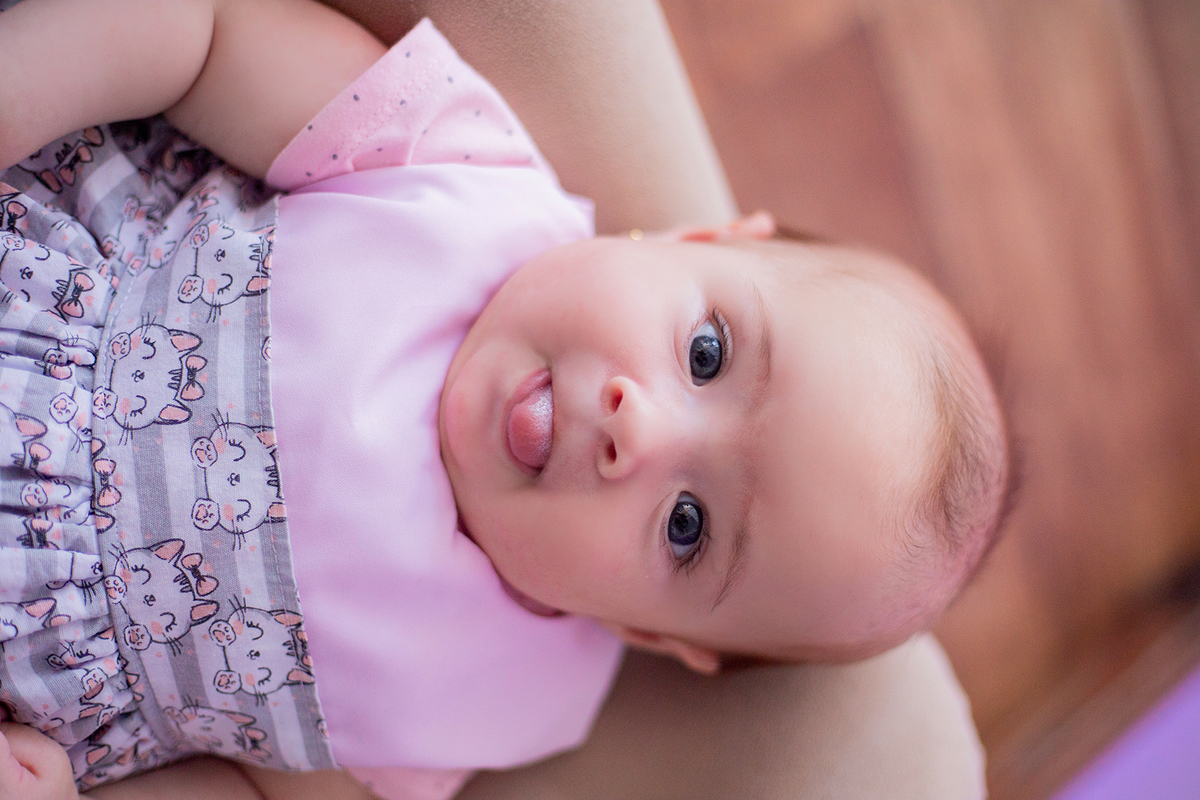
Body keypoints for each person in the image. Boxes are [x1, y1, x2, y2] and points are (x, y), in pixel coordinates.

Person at [0, 0, 1008, 798]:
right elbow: (204, 37)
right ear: (697, 243)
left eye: (689, 525)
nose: (636, 425)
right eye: (707, 351)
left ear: (650, 632)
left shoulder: (485, 707)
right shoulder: (460, 168)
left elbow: (263, 789)